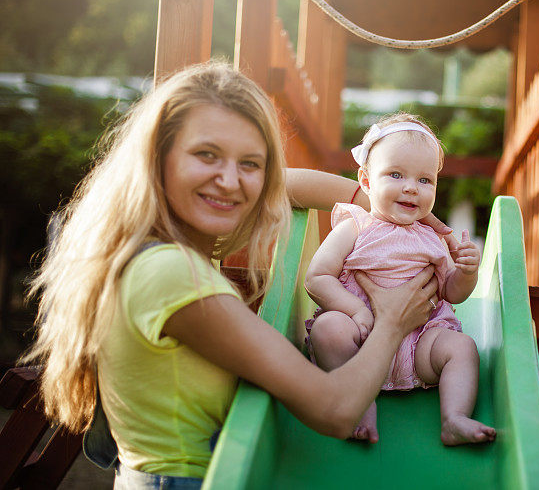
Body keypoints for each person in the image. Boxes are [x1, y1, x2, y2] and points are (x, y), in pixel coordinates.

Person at [21, 62, 446, 488]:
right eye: (206, 154)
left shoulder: (163, 248)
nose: (229, 180)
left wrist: (388, 212)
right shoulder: (168, 274)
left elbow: (290, 184)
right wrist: (392, 322)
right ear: (158, 157)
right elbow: (335, 409)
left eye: (249, 163)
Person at [304, 114, 497, 446]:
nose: (411, 187)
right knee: (327, 329)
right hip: (360, 342)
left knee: (462, 347)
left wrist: (466, 273)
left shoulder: (432, 238)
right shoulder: (355, 227)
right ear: (365, 180)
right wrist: (356, 311)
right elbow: (317, 277)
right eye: (395, 174)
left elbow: (451, 291)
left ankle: (454, 418)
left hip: (419, 343)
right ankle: (358, 406)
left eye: (425, 180)